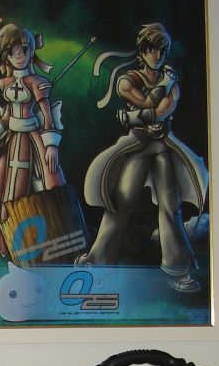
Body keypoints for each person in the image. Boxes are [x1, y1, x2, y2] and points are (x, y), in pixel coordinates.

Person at [80, 23, 207, 291]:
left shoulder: (172, 84)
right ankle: (97, 260)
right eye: (152, 49)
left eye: (162, 50)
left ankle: (177, 269)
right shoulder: (128, 80)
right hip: (137, 145)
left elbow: (161, 111)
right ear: (143, 50)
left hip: (162, 146)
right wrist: (161, 88)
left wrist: (132, 117)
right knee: (121, 202)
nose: (157, 55)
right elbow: (150, 104)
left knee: (171, 206)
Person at [0, 24, 67, 254]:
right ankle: (6, 244)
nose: (18, 57)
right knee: (3, 192)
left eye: (23, 51)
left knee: (34, 190)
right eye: (12, 53)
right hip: (12, 140)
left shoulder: (36, 83)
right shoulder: (6, 83)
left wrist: (51, 146)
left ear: (31, 51)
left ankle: (38, 242)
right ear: (7, 56)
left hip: (31, 140)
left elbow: (47, 116)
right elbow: (7, 115)